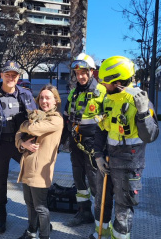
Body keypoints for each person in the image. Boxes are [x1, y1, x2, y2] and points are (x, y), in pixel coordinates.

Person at [89, 56, 159, 239]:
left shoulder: (139, 101)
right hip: (107, 159)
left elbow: (150, 135)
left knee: (123, 206)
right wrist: (98, 154)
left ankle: (119, 236)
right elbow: (101, 129)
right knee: (101, 199)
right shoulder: (109, 99)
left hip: (129, 164)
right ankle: (101, 231)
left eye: (106, 82)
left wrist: (143, 113)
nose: (103, 85)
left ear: (117, 81)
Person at [0, 61, 36, 234]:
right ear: (1, 75)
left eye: (14, 75)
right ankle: (1, 215)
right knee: (0, 183)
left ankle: (37, 216)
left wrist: (31, 142)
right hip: (0, 145)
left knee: (31, 180)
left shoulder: (26, 94)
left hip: (22, 145)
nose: (11, 77)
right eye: (7, 74)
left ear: (19, 77)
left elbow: (36, 123)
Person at [61, 53, 107, 226]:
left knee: (96, 183)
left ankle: (100, 218)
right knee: (79, 180)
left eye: (83, 72)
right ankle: (84, 212)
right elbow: (67, 119)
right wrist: (59, 143)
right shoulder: (73, 93)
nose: (80, 76)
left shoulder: (101, 92)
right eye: (77, 73)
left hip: (93, 146)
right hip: (75, 145)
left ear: (91, 72)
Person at [15, 84, 64, 239]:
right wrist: (23, 144)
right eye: (41, 98)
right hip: (27, 166)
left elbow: (32, 129)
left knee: (40, 207)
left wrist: (24, 125)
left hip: (40, 170)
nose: (44, 101)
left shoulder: (56, 120)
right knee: (29, 204)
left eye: (48, 98)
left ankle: (45, 235)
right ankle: (31, 231)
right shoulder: (37, 115)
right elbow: (18, 133)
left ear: (56, 101)